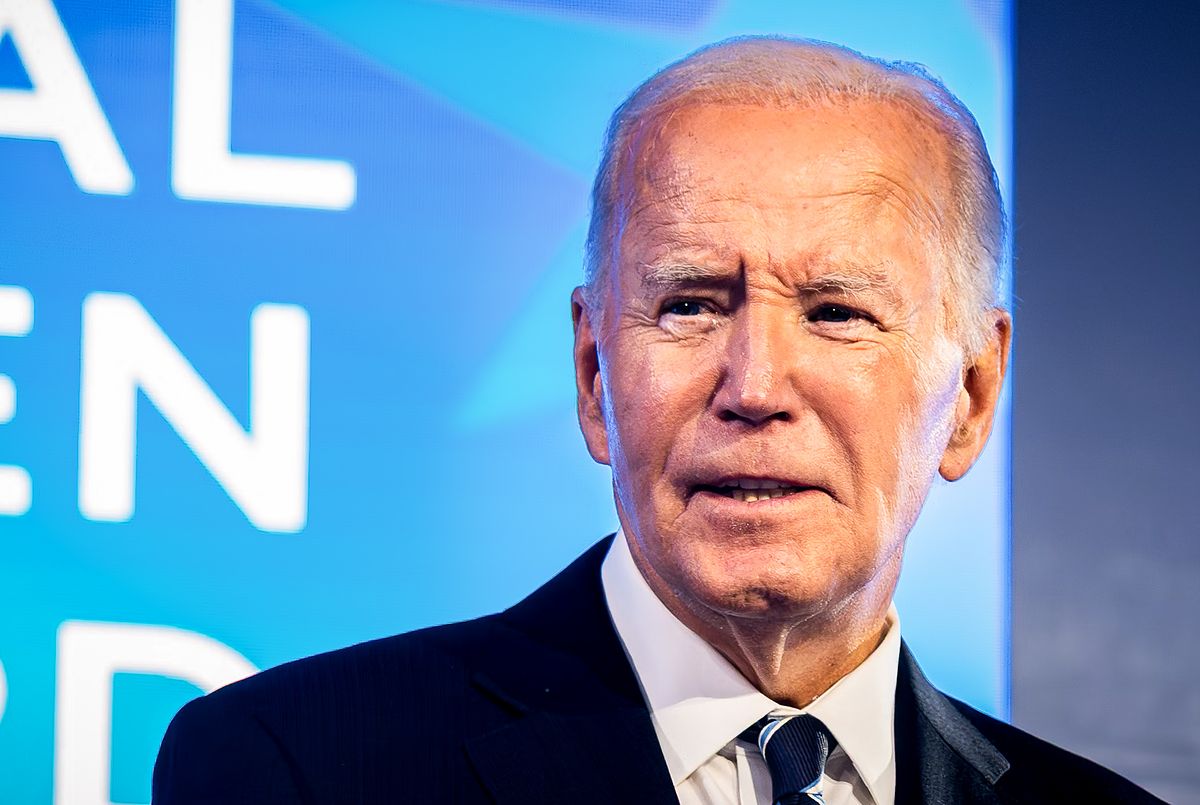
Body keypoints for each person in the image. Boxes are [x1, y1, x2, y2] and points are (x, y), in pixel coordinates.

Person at [152, 36, 1163, 804]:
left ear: (972, 398)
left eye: (837, 311)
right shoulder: (300, 766)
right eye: (689, 303)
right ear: (595, 372)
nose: (756, 384)